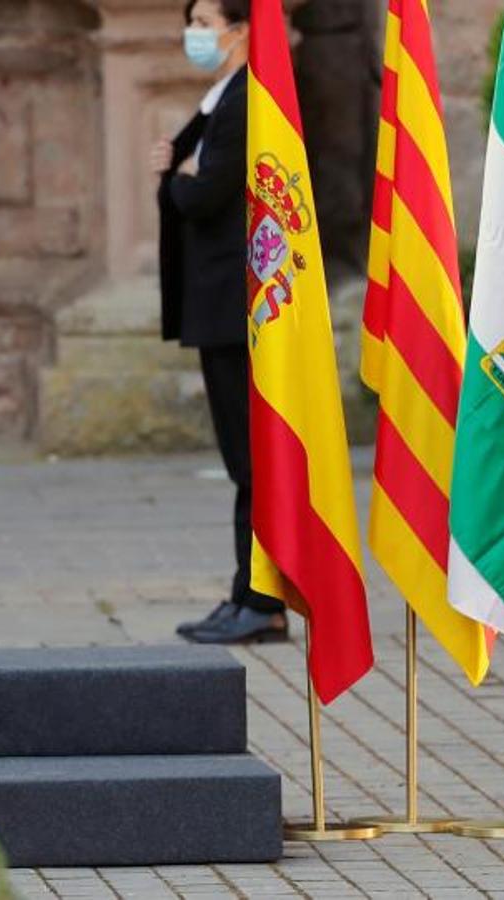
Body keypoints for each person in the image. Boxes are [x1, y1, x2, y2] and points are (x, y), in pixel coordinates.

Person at [153, 0, 288, 644]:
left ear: (240, 30)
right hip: (221, 307)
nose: (194, 33)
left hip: (236, 309)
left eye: (205, 21)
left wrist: (179, 179)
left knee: (249, 462)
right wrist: (179, 166)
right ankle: (248, 591)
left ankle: (262, 600)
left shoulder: (246, 98)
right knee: (243, 459)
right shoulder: (224, 95)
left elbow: (207, 192)